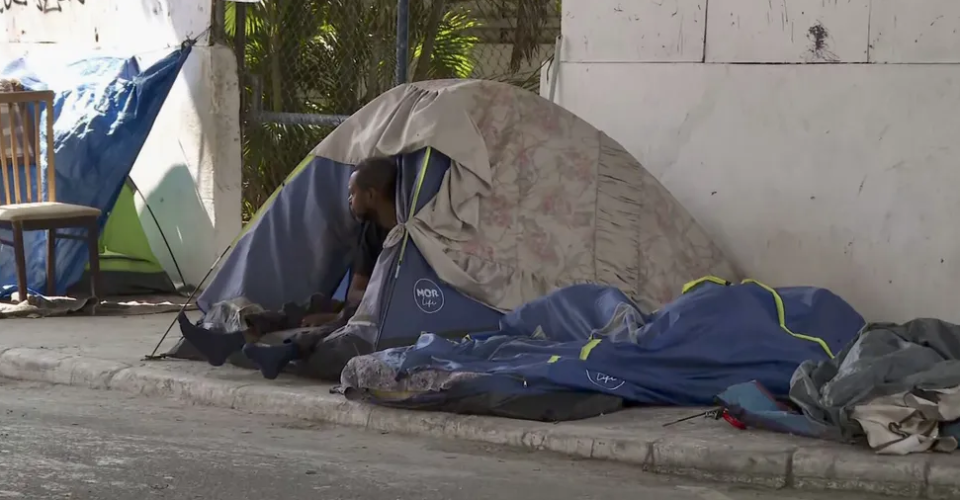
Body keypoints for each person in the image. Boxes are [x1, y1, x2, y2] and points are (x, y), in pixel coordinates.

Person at [180, 156, 398, 379]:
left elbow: (398, 300)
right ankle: (230, 341)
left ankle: (286, 351)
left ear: (371, 195)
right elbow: (355, 292)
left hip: (384, 314)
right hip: (362, 306)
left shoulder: (409, 236)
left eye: (353, 193)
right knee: (314, 305)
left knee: (348, 319)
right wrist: (341, 310)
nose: (349, 200)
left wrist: (341, 315)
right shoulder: (372, 233)